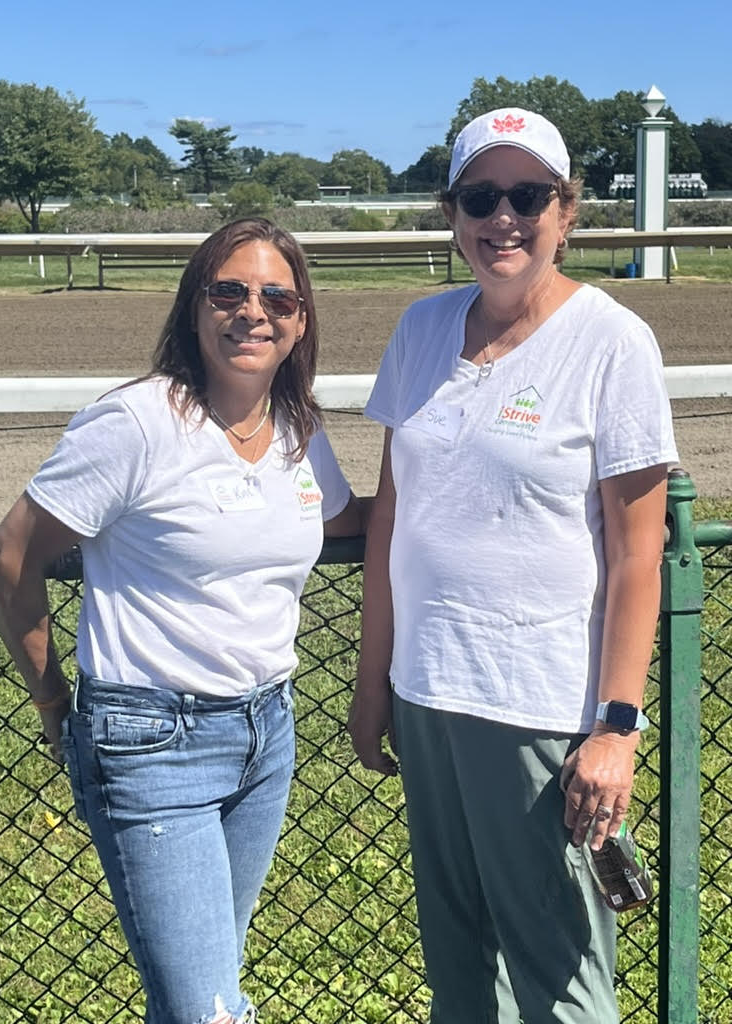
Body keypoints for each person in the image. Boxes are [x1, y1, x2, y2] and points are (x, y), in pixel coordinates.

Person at [0, 217, 366, 1024]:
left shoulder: (297, 428)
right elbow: (13, 553)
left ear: (301, 323)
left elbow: (340, 520)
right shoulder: (138, 422)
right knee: (208, 1011)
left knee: (208, 986)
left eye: (278, 299)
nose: (253, 312)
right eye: (228, 292)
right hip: (152, 739)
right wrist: (53, 701)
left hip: (268, 731)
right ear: (195, 308)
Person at [348, 108, 678, 1023]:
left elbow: (636, 553)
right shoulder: (420, 330)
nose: (503, 218)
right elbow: (391, 523)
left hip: (539, 709)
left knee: (558, 976)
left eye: (527, 195)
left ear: (566, 212)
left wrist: (617, 727)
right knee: (459, 966)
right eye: (480, 196)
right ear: (452, 213)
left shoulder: (612, 343)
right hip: (429, 697)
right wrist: (374, 683)